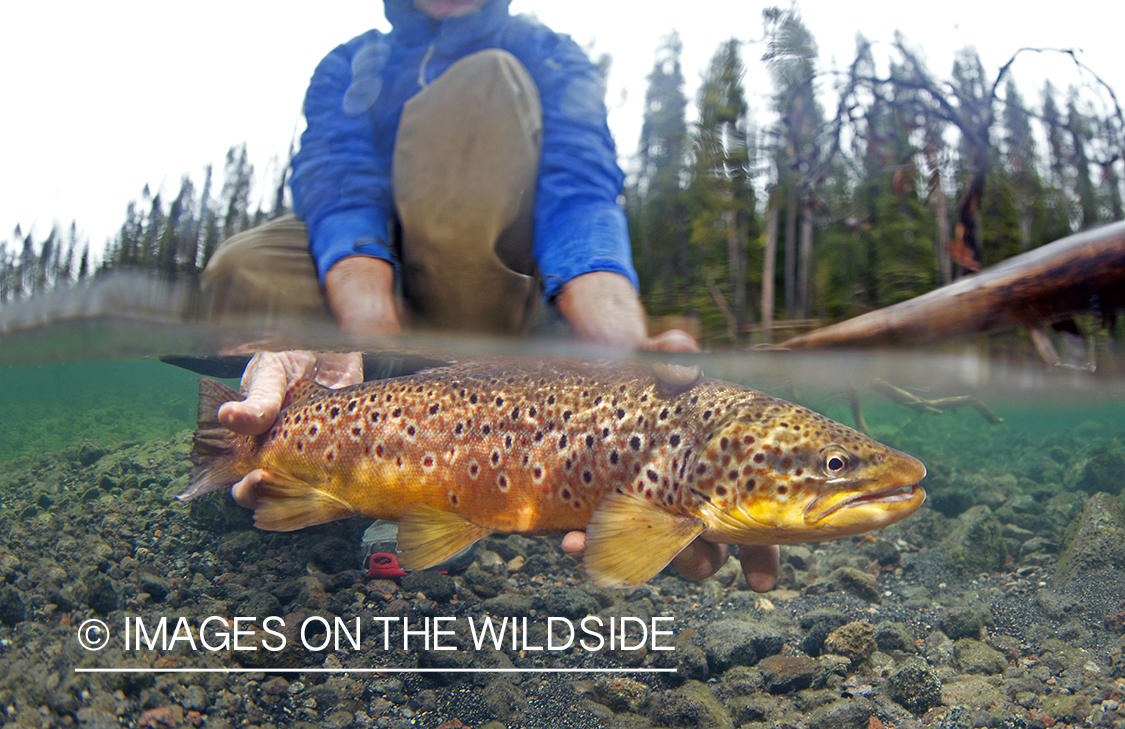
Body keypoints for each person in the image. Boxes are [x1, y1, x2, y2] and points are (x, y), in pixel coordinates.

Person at [204, 0, 779, 592]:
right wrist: (360, 332)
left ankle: (380, 456)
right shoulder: (349, 64)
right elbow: (340, 185)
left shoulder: (547, 54)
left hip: (503, 290)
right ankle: (289, 443)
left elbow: (578, 198)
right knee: (241, 267)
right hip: (366, 276)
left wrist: (624, 349)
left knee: (487, 82)